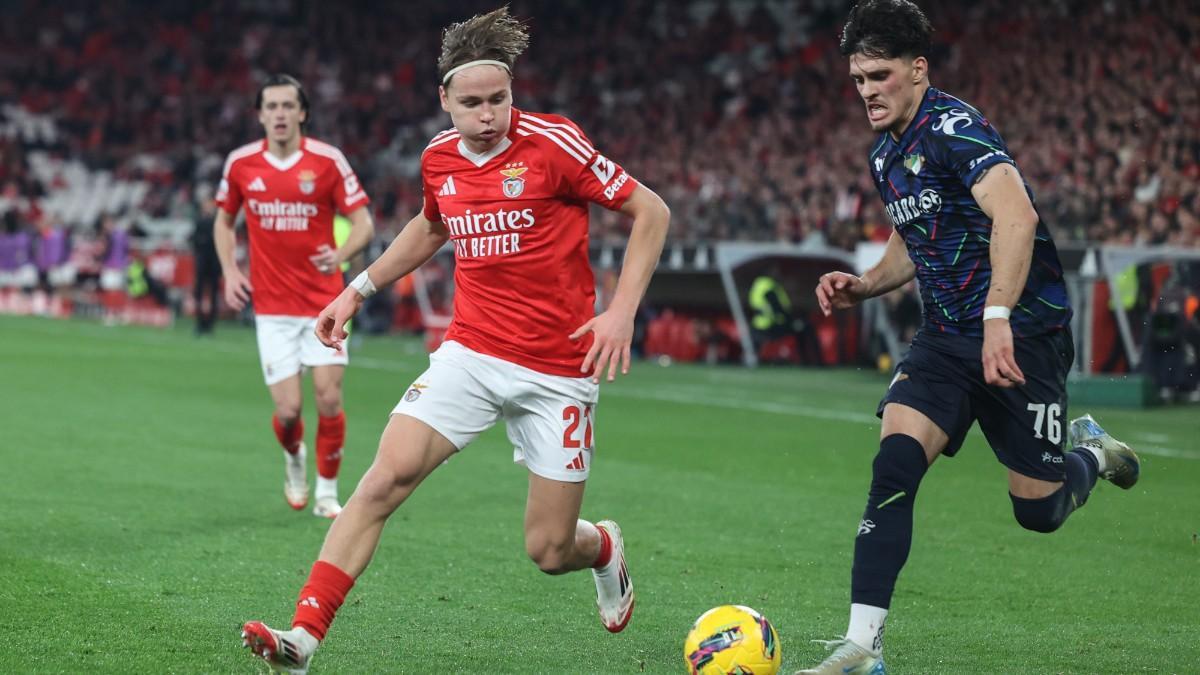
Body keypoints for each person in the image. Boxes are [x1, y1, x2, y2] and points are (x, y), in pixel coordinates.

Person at [239, 8, 670, 672]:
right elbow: (430, 226)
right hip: (470, 353)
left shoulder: (555, 143)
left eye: (499, 99)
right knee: (383, 479)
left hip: (558, 369)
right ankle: (304, 636)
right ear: (444, 99)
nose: (488, 114)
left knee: (550, 549)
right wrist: (358, 289)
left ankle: (604, 547)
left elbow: (652, 209)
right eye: (471, 103)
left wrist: (621, 312)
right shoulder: (438, 157)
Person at [800, 2, 1141, 673]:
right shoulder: (886, 154)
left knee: (1037, 512)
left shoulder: (956, 128)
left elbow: (1015, 214)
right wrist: (865, 283)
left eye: (879, 74)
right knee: (893, 464)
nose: (866, 89)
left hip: (1024, 336)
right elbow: (913, 238)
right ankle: (862, 646)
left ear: (918, 69)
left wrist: (996, 320)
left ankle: (1093, 455)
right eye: (858, 78)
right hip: (947, 341)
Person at [214, 73, 375, 519]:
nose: (280, 114)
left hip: (325, 303)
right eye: (272, 107)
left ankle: (326, 492)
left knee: (328, 398)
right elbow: (223, 222)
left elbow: (364, 222)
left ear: (302, 112)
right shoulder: (241, 164)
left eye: (288, 106)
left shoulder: (327, 160)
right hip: (272, 309)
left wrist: (341, 253)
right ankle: (294, 457)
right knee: (288, 412)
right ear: (260, 115)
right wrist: (230, 270)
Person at [191, 197, 221, 335]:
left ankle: (210, 323)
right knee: (199, 292)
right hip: (203, 262)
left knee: (213, 293)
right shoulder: (200, 221)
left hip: (214, 262)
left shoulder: (217, 221)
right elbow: (195, 240)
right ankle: (200, 322)